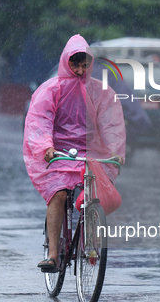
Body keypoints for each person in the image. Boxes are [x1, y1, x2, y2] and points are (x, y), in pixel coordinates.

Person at [23, 34, 126, 272]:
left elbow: (110, 124)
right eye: (75, 64)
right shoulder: (51, 90)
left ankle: (88, 240)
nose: (80, 70)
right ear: (66, 62)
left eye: (84, 64)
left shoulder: (100, 91)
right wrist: (45, 148)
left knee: (93, 193)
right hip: (58, 154)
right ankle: (53, 255)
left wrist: (114, 151)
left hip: (89, 154)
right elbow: (41, 120)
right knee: (59, 194)